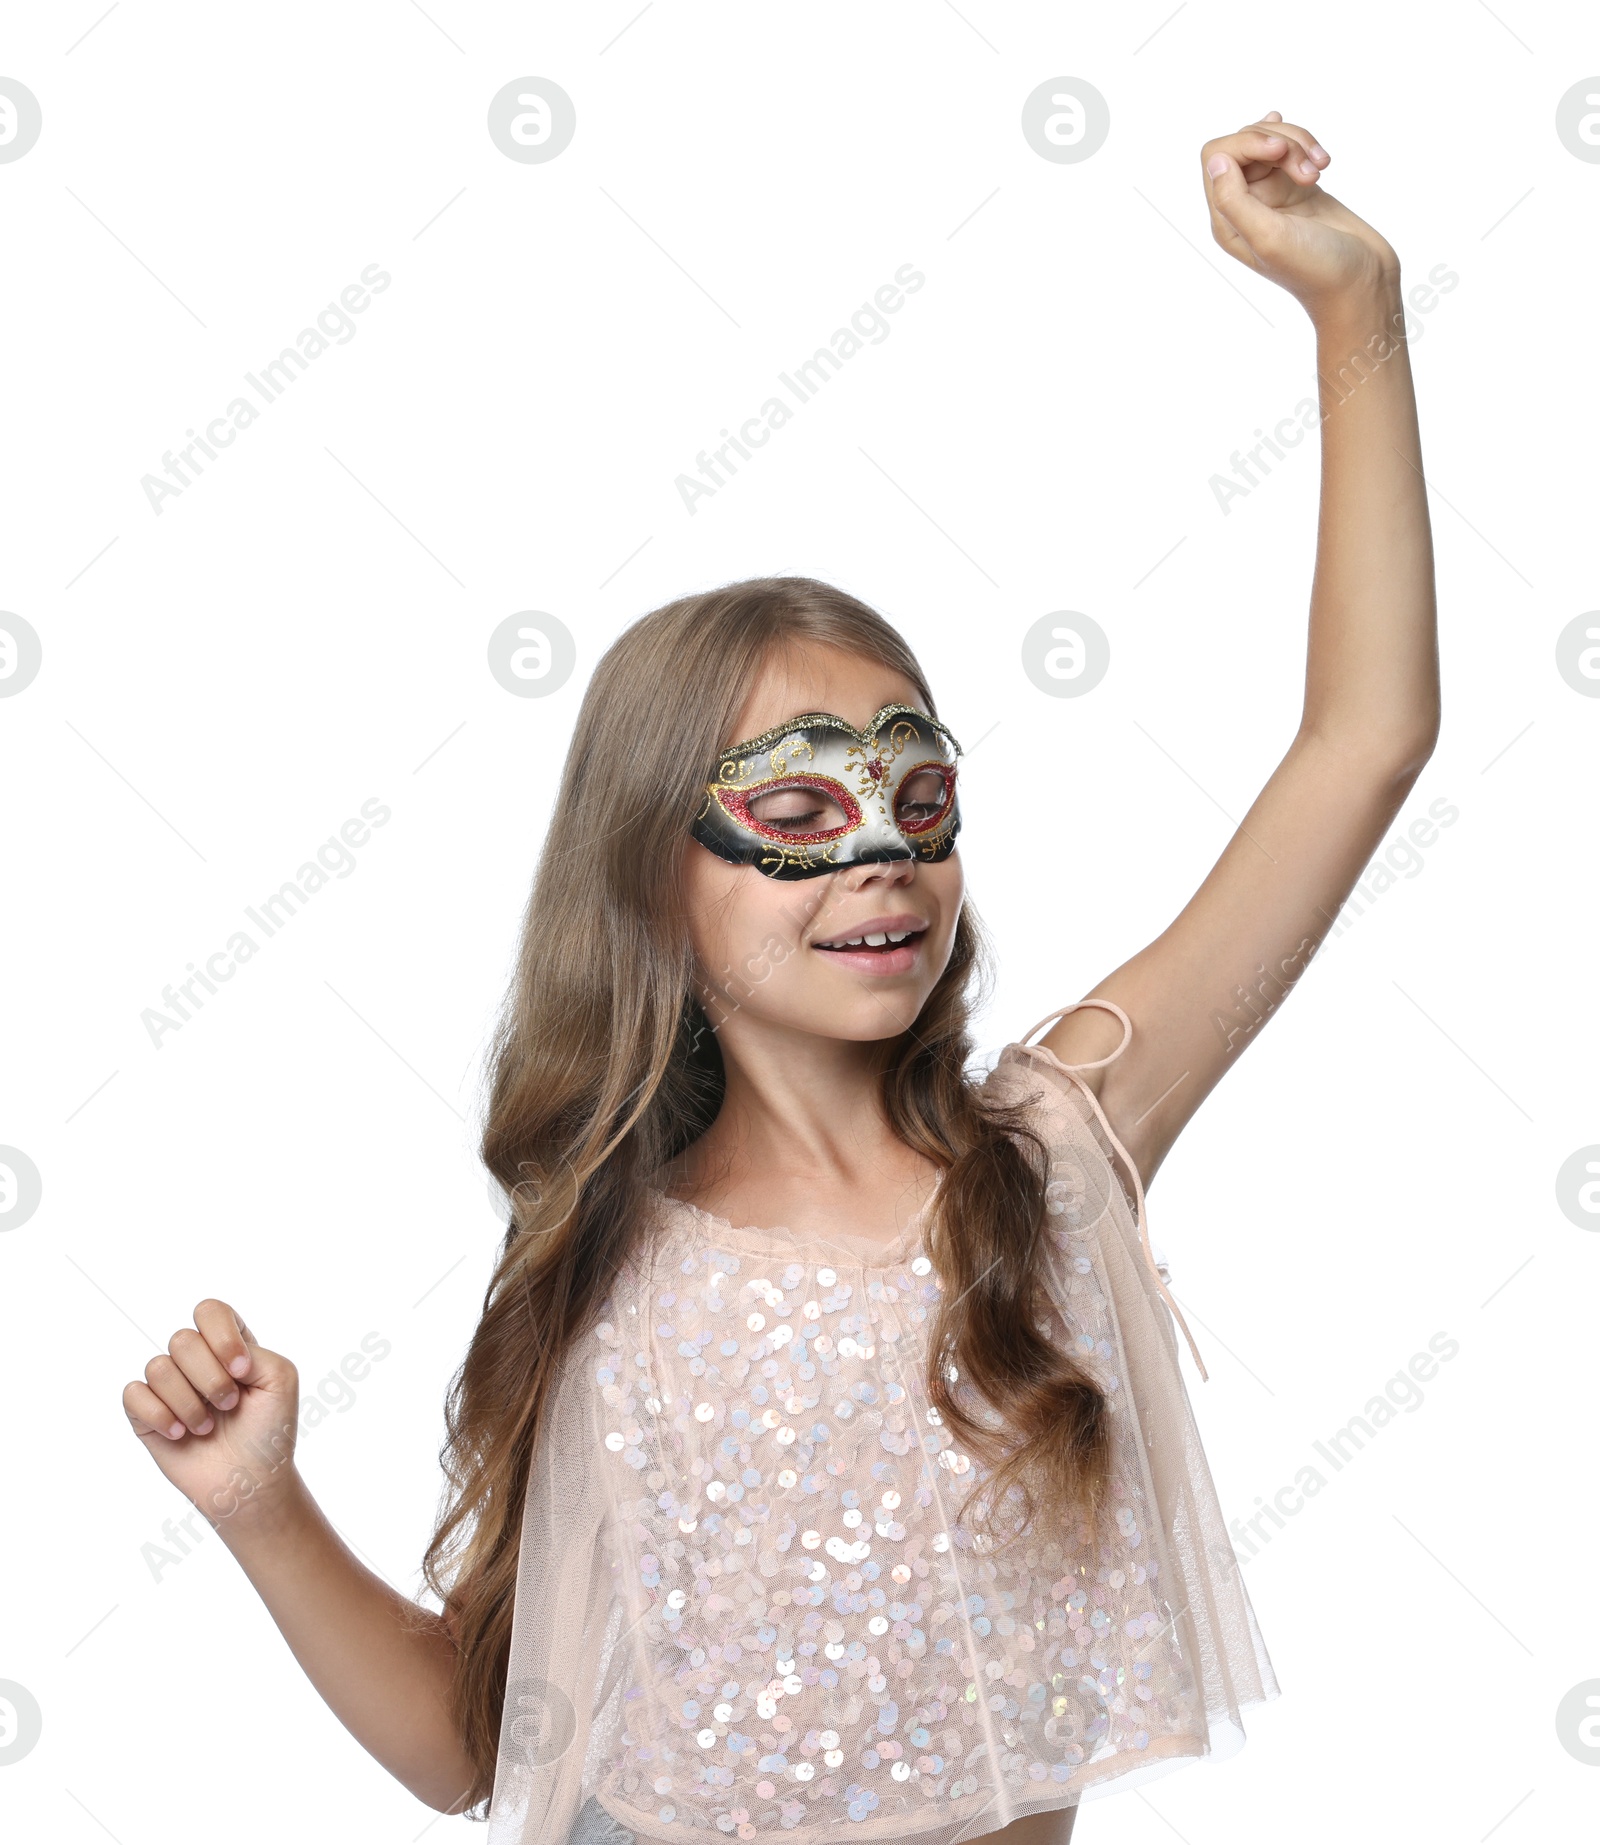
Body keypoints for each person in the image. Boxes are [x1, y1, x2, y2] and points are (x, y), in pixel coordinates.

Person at [122, 112, 1438, 1844]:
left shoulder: (1051, 1154)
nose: (882, 848)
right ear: (657, 879)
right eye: (801, 807)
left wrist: (1359, 308)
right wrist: (260, 1504)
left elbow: (1365, 739)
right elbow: (474, 1744)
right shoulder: (612, 1275)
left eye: (918, 791)